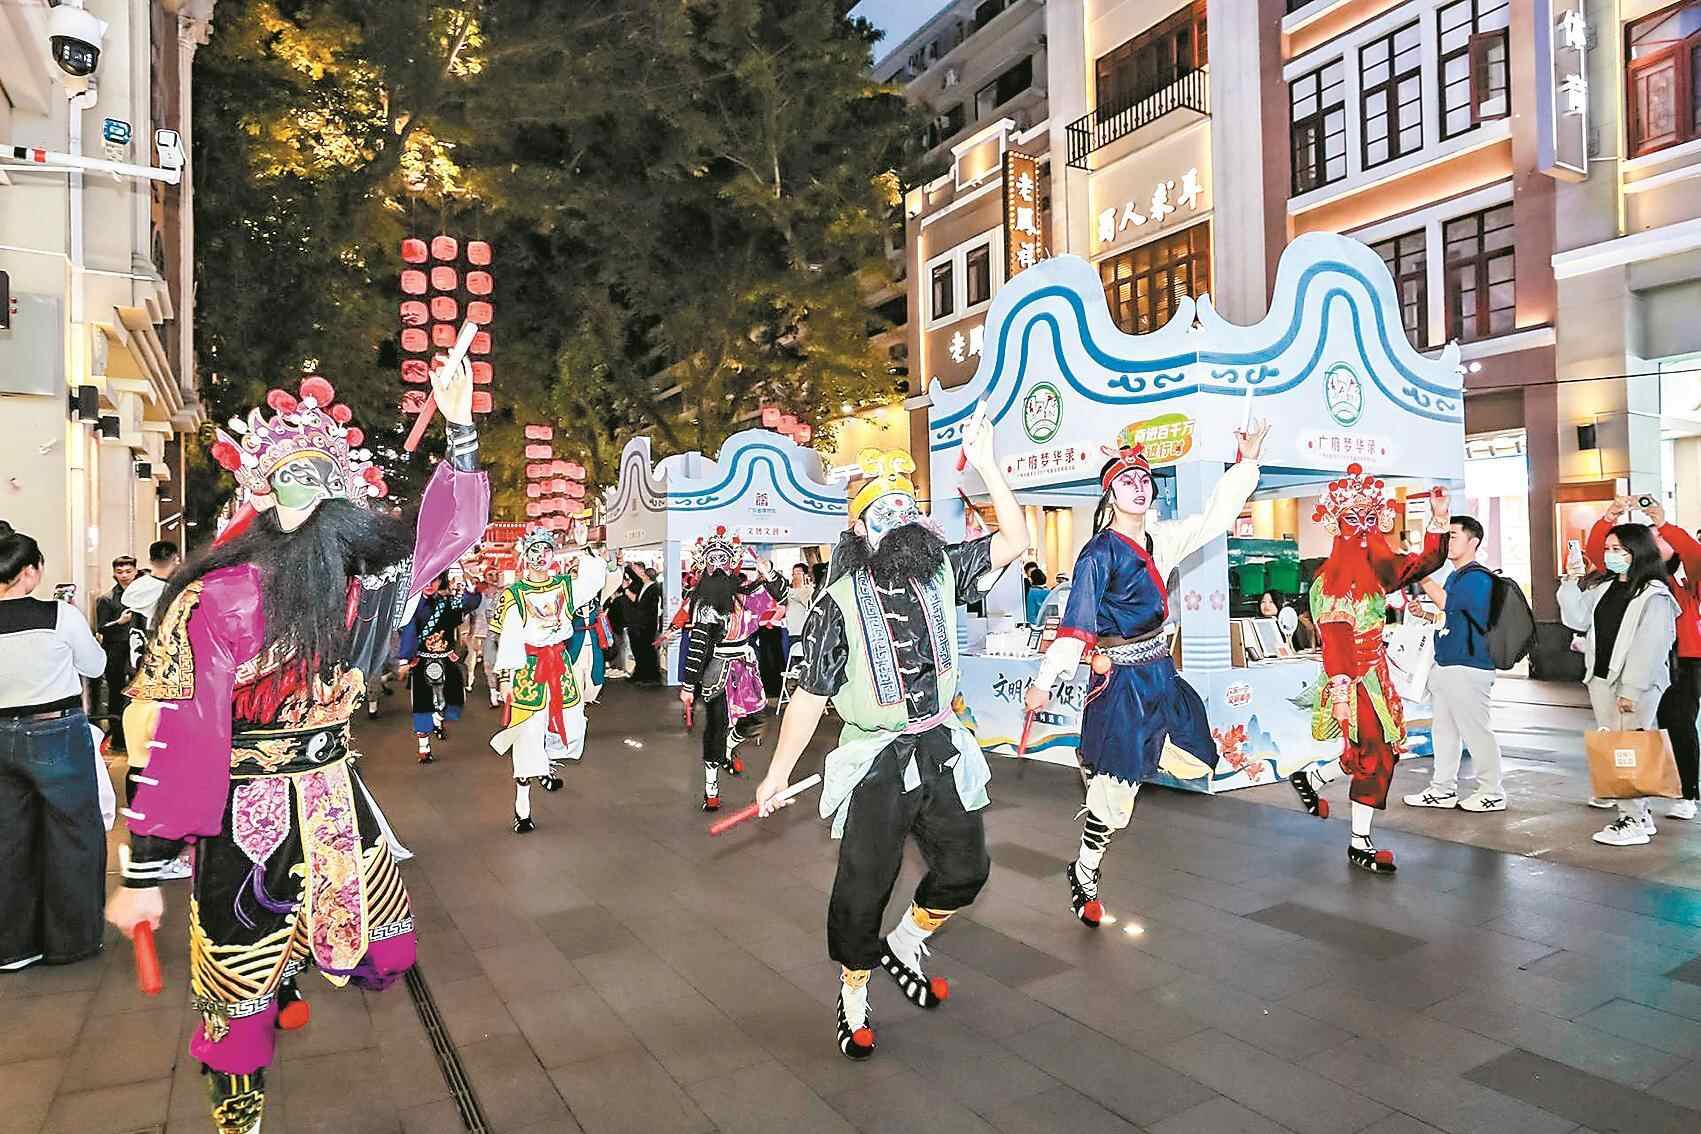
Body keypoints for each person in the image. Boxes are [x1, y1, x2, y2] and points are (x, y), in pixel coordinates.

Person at [102, 365, 488, 1134]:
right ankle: (238, 1111)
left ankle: (291, 973)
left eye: (322, 478)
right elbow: (180, 737)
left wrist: (461, 427)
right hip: (246, 810)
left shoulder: (368, 576)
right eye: (290, 477)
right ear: (260, 493)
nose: (307, 493)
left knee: (379, 944)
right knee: (237, 997)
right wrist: (144, 871)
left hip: (335, 795)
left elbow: (449, 533)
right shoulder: (217, 596)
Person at [754, 415, 1029, 1062]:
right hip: (876, 759)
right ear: (859, 530)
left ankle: (905, 941)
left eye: (907, 510)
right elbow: (809, 697)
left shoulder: (941, 572)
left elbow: (1016, 540)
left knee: (966, 869)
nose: (900, 521)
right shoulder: (835, 602)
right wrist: (775, 774)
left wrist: (987, 464)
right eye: (885, 512)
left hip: (940, 745)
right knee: (864, 884)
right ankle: (853, 989)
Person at [1026, 419, 1269, 925]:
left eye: (1143, 479)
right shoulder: (1099, 553)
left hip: (1159, 671)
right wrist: (1045, 681)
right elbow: (1077, 624)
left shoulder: (1161, 539)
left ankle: (1110, 781)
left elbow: (1214, 518)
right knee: (1115, 794)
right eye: (1126, 481)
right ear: (1110, 494)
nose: (1138, 487)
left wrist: (1246, 463)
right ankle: (1085, 871)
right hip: (1121, 683)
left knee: (1196, 755)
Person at [1284, 467, 1450, 874]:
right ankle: (1359, 841)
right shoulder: (1330, 583)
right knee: (1375, 755)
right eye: (1352, 519)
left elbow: (1425, 562)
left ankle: (1313, 780)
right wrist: (1342, 694)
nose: (1361, 529)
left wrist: (1439, 518)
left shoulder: (1377, 572)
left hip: (1377, 676)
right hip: (1352, 680)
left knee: (1371, 750)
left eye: (1369, 520)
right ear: (1337, 525)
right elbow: (1336, 638)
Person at [0, 530, 108, 972]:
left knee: (9, 839)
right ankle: (70, 942)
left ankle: (12, 947)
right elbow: (95, 665)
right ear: (30, 571)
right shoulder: (58, 614)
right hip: (55, 730)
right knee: (72, 834)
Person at [1561, 522, 1679, 846]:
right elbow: (1576, 618)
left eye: (1618, 550)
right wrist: (1571, 580)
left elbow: (1651, 646)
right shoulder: (1605, 587)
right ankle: (1639, 814)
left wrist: (1632, 690)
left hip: (1634, 685)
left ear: (1637, 552)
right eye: (1608, 549)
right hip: (1601, 679)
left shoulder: (1654, 595)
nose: (1610, 555)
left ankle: (1632, 819)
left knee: (1628, 749)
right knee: (1618, 748)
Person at [1586, 499, 1699, 821]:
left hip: (1680, 660)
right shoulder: (1630, 580)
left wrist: (1664, 524)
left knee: (1677, 724)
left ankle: (1686, 792)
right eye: (1650, 537)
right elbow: (1598, 554)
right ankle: (1621, 789)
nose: (1655, 540)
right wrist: (1609, 518)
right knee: (1625, 730)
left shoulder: (1682, 579)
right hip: (1629, 662)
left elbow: (1694, 555)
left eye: (1660, 538)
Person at [489, 530, 601, 831]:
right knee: (527, 735)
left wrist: (586, 548)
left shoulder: (565, 586)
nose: (541, 557)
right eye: (535, 551)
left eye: (546, 550)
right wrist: (505, 678)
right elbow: (508, 639)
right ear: (525, 556)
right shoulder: (514, 594)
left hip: (560, 667)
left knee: (571, 723)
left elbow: (593, 583)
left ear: (554, 554)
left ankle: (546, 763)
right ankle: (522, 807)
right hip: (528, 670)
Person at [1403, 515, 1506, 812]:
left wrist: (1422, 575)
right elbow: (1453, 616)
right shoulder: (1456, 577)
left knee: (1476, 731)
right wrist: (1425, 615)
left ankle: (1492, 791)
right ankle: (1442, 789)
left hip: (1469, 665)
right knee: (1444, 731)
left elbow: (1448, 604)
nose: (1447, 542)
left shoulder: (1478, 578)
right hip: (1448, 663)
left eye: (1454, 536)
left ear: (1473, 541)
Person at [679, 531, 786, 810]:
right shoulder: (703, 602)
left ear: (732, 565)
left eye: (723, 561)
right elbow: (698, 646)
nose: (718, 566)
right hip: (717, 669)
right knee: (715, 726)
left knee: (756, 720)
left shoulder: (746, 593)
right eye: (712, 561)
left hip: (746, 666)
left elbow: (781, 595)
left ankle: (729, 745)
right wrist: (689, 685)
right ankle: (711, 788)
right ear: (704, 566)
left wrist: (768, 572)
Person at [398, 573, 480, 763]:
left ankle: (439, 718)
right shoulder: (411, 605)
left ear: (440, 581)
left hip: (446, 658)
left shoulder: (449, 602)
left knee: (453, 696)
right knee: (422, 703)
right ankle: (424, 748)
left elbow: (468, 604)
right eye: (425, 578)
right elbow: (409, 631)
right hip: (422, 660)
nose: (429, 584)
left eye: (434, 579)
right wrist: (404, 659)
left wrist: (469, 588)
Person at [92, 555, 140, 737]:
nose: (124, 575)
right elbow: (101, 627)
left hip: (137, 649)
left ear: (135, 572)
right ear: (114, 573)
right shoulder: (107, 599)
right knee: (116, 691)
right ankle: (117, 734)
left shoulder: (142, 595)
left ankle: (135, 731)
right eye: (120, 572)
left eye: (128, 571)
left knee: (138, 691)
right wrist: (120, 622)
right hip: (115, 650)